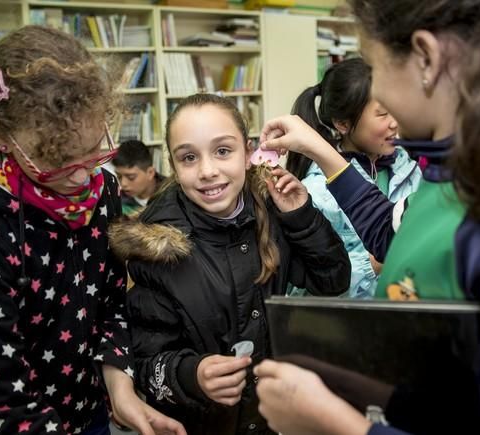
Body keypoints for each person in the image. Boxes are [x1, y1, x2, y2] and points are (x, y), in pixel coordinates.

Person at [255, 0, 480, 434]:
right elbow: (397, 236)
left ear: (425, 57)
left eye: (374, 67)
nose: (381, 95)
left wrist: (336, 425)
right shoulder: (448, 171)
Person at [0, 26, 185, 435]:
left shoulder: (102, 191)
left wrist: (120, 390)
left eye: (92, 151)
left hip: (89, 413)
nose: (84, 174)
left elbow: (110, 302)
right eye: (59, 159)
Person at [108, 93, 350, 435]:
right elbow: (146, 364)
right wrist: (192, 374)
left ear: (248, 152)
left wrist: (300, 216)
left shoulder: (271, 212)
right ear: (174, 166)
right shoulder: (156, 247)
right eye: (189, 157)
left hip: (271, 419)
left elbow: (333, 280)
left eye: (223, 151)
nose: (208, 171)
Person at [286, 58, 420, 298]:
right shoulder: (317, 192)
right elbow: (301, 290)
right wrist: (371, 265)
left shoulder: (411, 168)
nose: (394, 123)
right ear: (342, 123)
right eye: (382, 114)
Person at [112, 139, 163, 215]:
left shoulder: (172, 195)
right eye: (119, 176)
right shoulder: (116, 202)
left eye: (131, 177)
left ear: (150, 173)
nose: (123, 184)